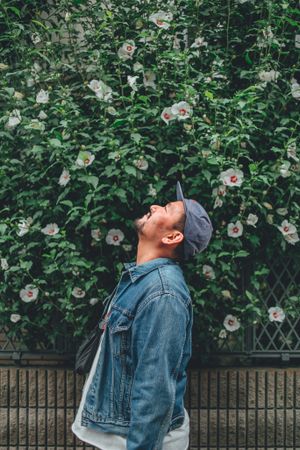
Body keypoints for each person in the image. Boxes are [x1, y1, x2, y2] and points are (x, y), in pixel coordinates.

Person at [71, 181, 213, 450]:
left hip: (135, 441)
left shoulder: (163, 293)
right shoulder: (141, 281)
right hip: (122, 434)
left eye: (166, 209)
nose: (154, 206)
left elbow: (155, 388)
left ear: (172, 238)